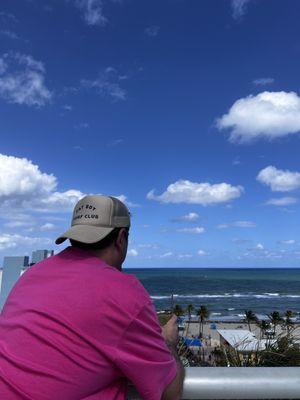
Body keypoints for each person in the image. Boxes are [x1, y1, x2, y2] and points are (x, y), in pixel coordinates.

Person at [0, 195, 184, 399]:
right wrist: (168, 342)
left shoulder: (32, 274)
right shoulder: (124, 291)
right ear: (121, 238)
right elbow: (170, 392)